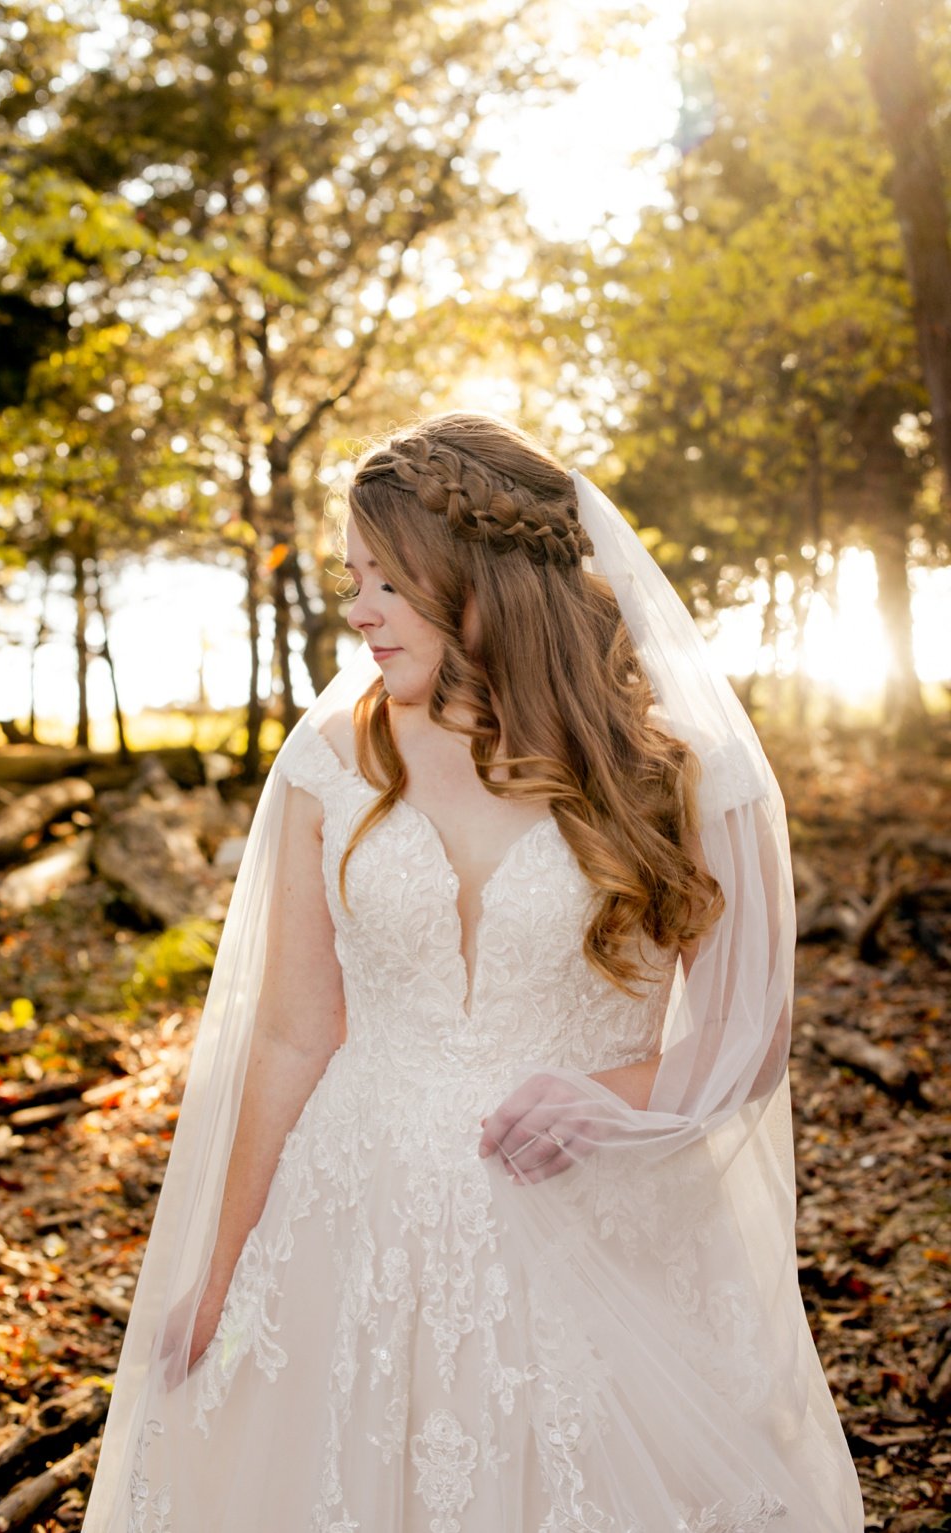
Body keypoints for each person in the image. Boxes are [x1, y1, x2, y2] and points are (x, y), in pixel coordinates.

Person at [83, 414, 865, 1532]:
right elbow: (293, 1035)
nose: (356, 612)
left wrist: (606, 1095)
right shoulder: (328, 761)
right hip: (343, 1222)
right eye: (353, 579)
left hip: (584, 1239)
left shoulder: (675, 770)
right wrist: (215, 1278)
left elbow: (750, 1035)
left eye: (386, 584)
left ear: (484, 584)